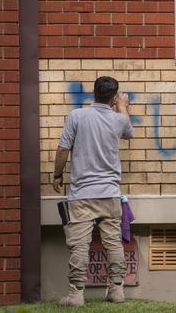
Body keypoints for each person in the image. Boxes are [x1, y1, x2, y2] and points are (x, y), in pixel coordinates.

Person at [52, 76, 133, 307]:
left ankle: (76, 295)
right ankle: (117, 290)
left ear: (93, 92)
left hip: (82, 195)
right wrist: (122, 106)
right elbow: (129, 132)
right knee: (113, 243)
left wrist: (58, 175)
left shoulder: (77, 116)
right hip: (110, 194)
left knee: (79, 245)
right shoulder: (118, 119)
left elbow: (63, 148)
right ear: (113, 96)